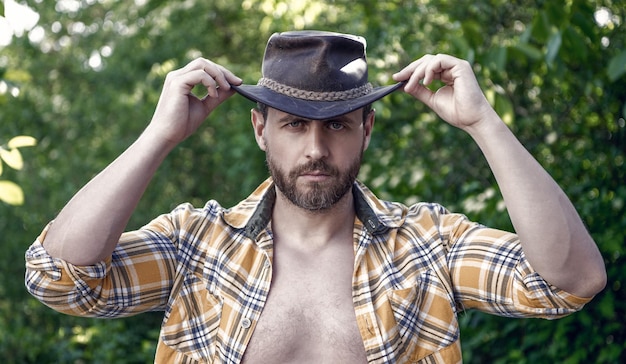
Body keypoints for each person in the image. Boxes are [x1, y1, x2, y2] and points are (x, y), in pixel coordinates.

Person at [25, 30, 606, 363]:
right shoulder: (196, 245)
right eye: (294, 125)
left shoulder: (427, 245)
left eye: (338, 124)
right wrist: (160, 136)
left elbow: (570, 281)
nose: (316, 149)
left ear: (368, 129)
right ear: (260, 129)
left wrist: (484, 123)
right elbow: (59, 277)